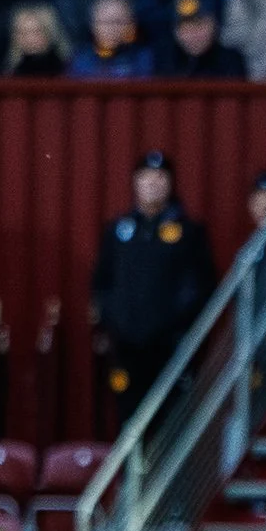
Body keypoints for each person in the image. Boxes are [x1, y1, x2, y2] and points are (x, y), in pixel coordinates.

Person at [90, 151, 217, 427]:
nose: (152, 183)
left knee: (173, 424)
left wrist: (172, 326)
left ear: (170, 184)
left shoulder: (189, 232)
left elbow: (200, 288)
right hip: (127, 349)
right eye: (146, 177)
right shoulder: (119, 231)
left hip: (171, 351)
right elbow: (102, 285)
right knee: (130, 422)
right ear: (135, 182)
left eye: (160, 177)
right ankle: (134, 472)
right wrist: (115, 322)